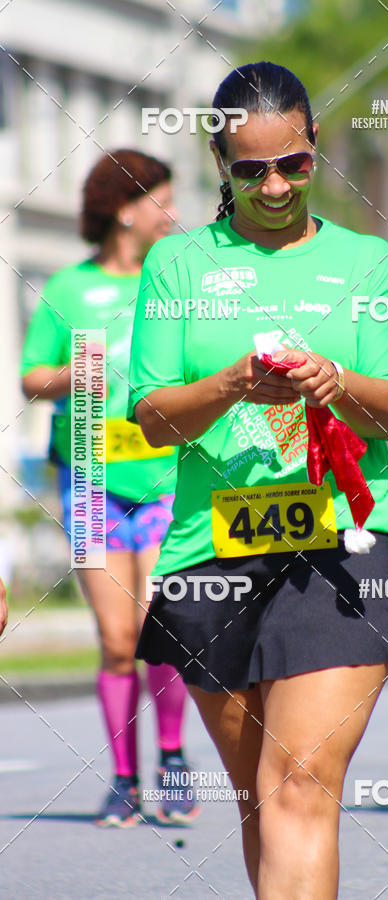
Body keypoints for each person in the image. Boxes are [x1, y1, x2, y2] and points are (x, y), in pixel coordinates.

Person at [128, 61, 388, 897]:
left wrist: (335, 379)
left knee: (299, 782)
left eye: (292, 164)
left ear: (315, 148)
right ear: (219, 164)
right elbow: (152, 417)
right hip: (211, 553)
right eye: (250, 169)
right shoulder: (176, 265)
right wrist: (230, 384)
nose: (273, 186)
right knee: (261, 800)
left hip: (339, 552)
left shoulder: (367, 262)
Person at [21, 150, 199, 828]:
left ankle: (175, 759)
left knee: (164, 625)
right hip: (91, 483)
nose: (175, 214)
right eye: (163, 200)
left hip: (161, 481)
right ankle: (125, 779)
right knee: (117, 637)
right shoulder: (68, 289)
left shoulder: (175, 285)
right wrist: (76, 373)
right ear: (128, 209)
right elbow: (30, 378)